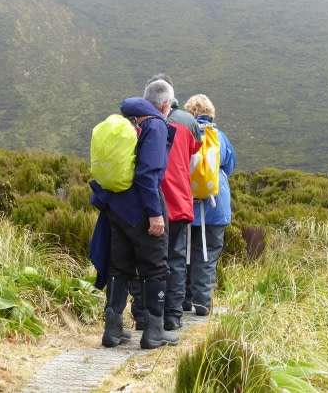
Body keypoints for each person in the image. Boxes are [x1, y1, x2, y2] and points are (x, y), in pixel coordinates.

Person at [89, 79, 179, 350]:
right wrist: (155, 214)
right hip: (142, 207)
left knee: (119, 266)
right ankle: (153, 332)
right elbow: (148, 173)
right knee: (155, 267)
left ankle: (113, 330)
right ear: (165, 105)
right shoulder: (155, 124)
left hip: (115, 206)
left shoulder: (125, 119)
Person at [130, 74, 202, 331]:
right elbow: (194, 159)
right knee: (175, 260)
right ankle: (172, 316)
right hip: (178, 201)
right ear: (168, 100)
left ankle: (142, 315)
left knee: (143, 260)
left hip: (145, 203)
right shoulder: (187, 122)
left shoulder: (138, 123)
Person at [182, 94, 236, 316]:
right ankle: (202, 304)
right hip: (214, 207)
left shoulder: (183, 135)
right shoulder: (219, 137)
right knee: (207, 254)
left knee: (182, 254)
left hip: (184, 206)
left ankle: (181, 300)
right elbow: (229, 166)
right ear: (210, 114)